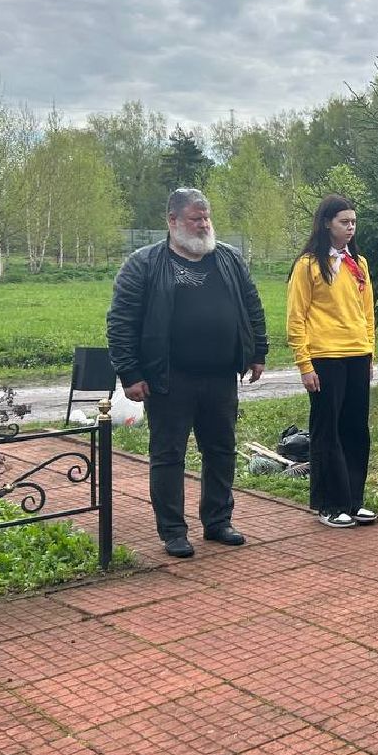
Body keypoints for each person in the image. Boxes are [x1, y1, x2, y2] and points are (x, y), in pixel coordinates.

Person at [107, 188, 267, 559]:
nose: (204, 224)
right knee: (168, 455)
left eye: (207, 217)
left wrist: (258, 352)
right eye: (196, 218)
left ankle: (218, 521)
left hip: (221, 375)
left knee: (221, 450)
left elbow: (252, 307)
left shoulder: (228, 259)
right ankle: (173, 531)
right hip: (168, 378)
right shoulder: (143, 264)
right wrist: (129, 373)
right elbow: (121, 321)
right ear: (173, 220)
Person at [286, 195, 376, 528]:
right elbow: (297, 317)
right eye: (344, 222)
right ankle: (329, 502)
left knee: (356, 428)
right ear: (327, 223)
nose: (350, 228)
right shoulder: (309, 264)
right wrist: (304, 363)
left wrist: (369, 352)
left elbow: (366, 312)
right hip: (325, 356)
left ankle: (353, 499)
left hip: (356, 354)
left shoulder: (358, 264)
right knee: (328, 431)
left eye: (353, 222)